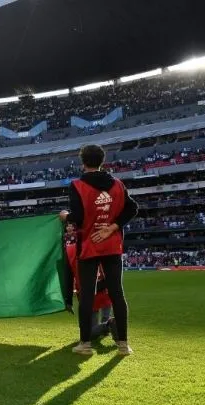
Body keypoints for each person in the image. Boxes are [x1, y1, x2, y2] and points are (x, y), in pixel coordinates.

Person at [60, 144, 138, 356]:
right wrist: (112, 227)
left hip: (89, 246)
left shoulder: (77, 185)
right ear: (102, 161)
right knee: (117, 294)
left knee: (86, 295)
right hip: (112, 245)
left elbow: (76, 217)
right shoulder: (118, 184)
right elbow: (133, 208)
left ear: (82, 161)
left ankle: (85, 344)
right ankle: (123, 345)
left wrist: (64, 216)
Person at [63, 223, 116, 342]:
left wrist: (68, 300)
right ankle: (110, 325)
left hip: (89, 294)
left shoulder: (70, 250)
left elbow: (68, 276)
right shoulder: (103, 246)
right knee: (98, 326)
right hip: (103, 290)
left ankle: (108, 325)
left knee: (88, 333)